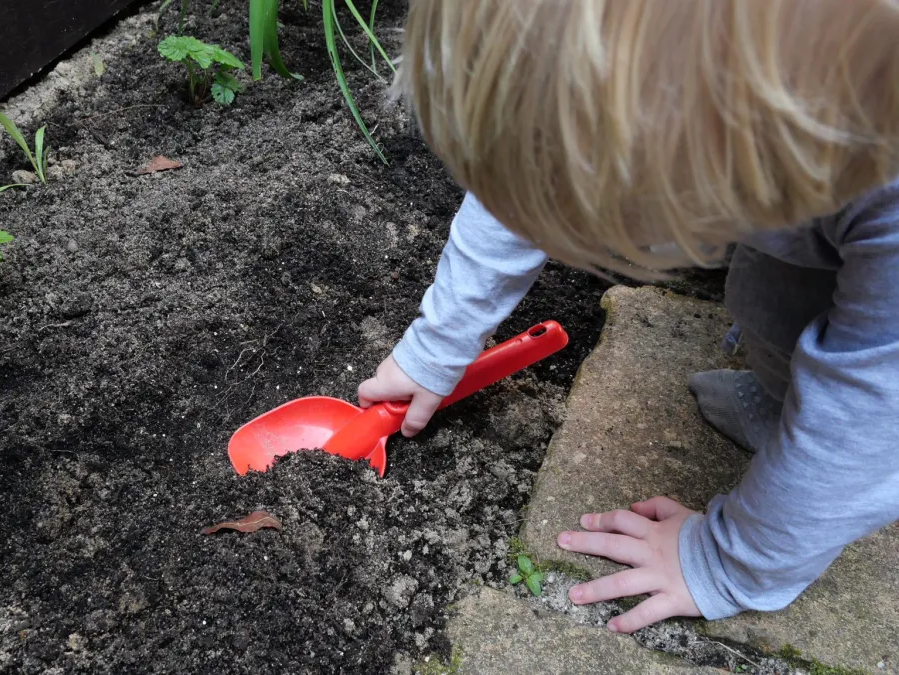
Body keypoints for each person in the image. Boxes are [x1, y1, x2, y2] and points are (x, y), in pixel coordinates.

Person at [357, 0, 899, 633]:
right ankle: (784, 398)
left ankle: (790, 422)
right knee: (773, 293)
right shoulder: (727, 104)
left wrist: (732, 563)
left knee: (837, 360)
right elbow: (529, 171)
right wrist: (439, 345)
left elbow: (871, 416)